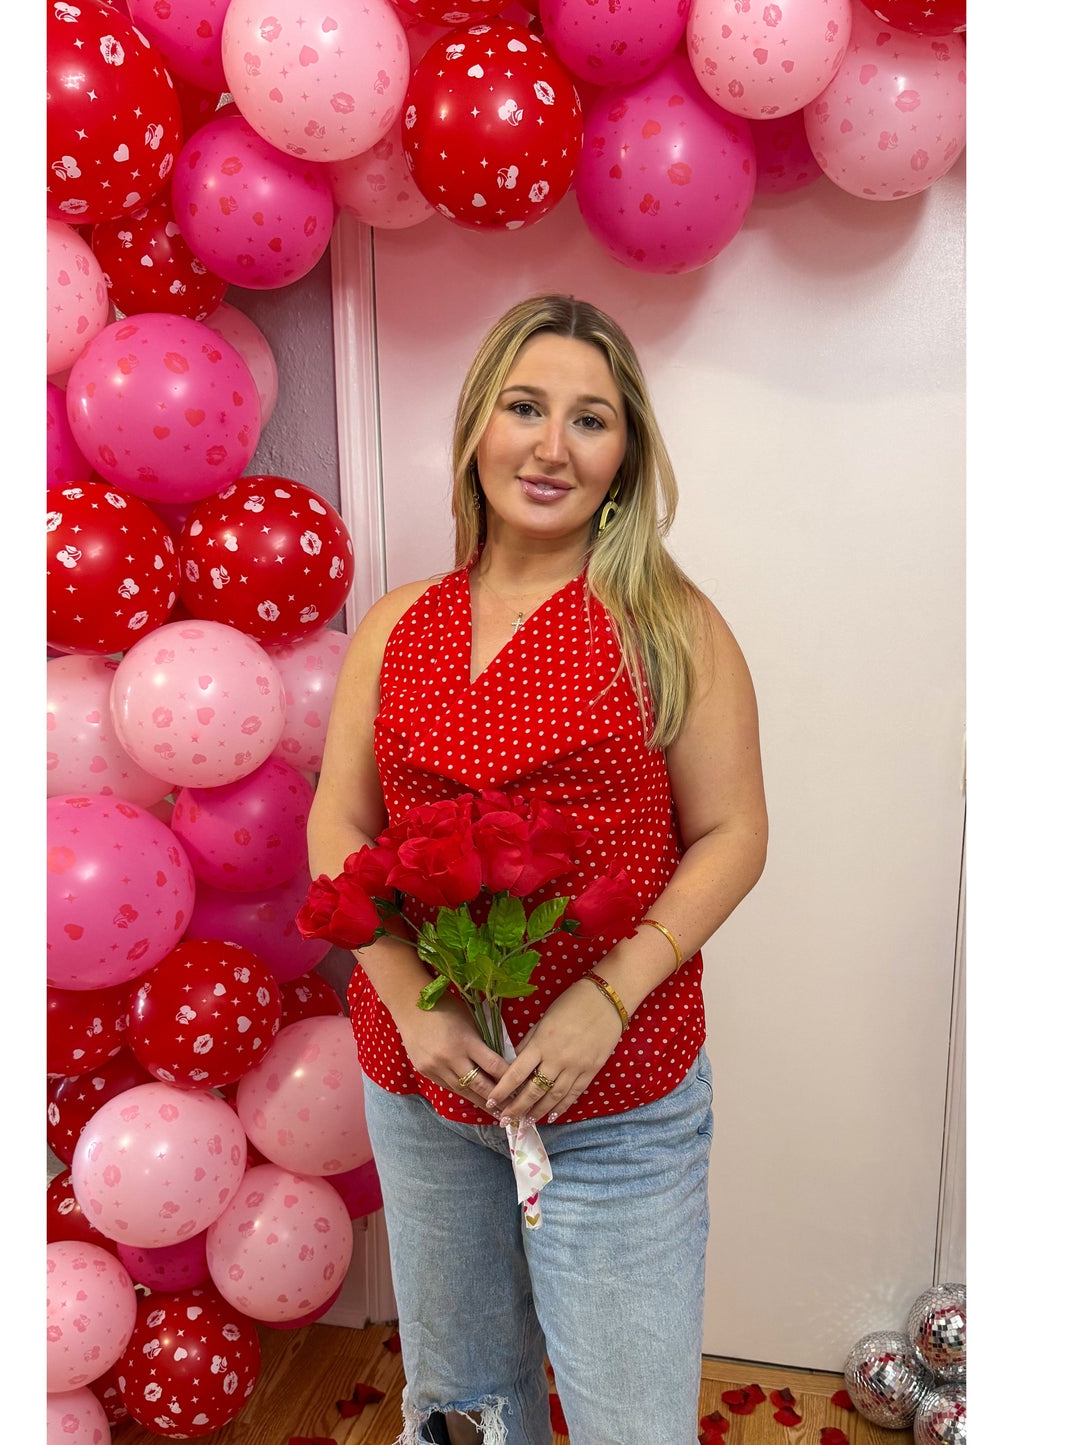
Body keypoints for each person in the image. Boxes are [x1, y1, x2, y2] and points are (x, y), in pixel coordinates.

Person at [307, 294, 768, 1445]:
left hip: (613, 1100)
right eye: (525, 406)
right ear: (477, 428)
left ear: (624, 457)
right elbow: (337, 819)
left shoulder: (670, 627)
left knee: (629, 1422)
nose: (551, 445)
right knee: (461, 1404)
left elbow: (734, 834)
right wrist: (411, 1001)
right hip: (425, 1086)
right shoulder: (396, 624)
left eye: (591, 419)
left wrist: (604, 999)